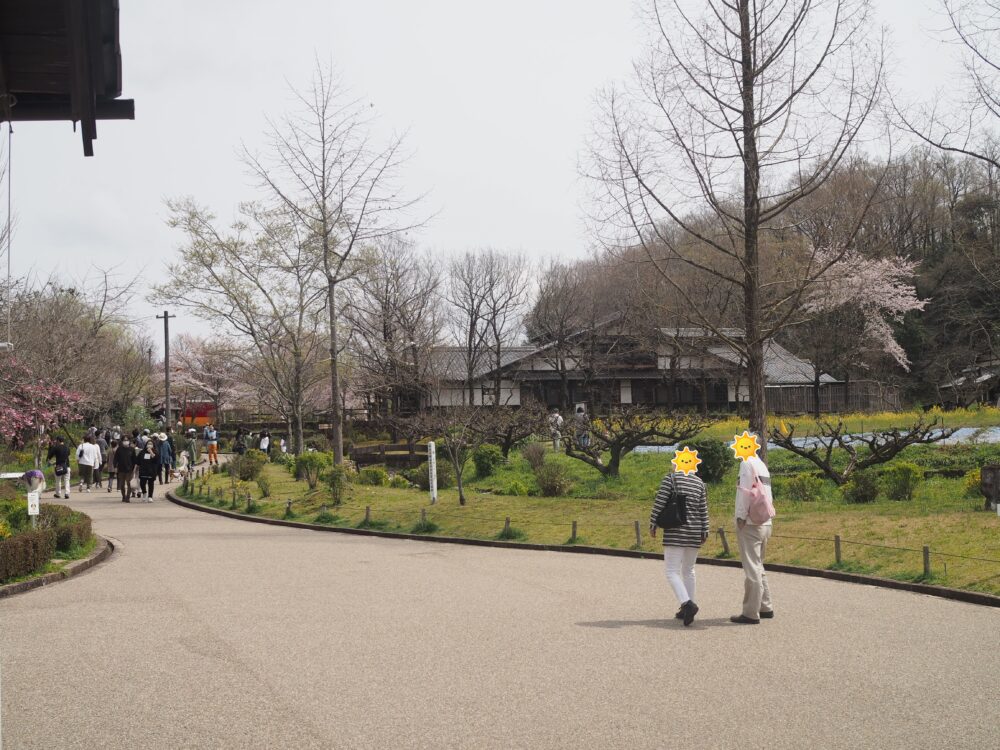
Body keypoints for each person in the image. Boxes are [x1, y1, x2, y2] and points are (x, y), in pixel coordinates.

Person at [649, 465, 709, 626]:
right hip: (695, 531)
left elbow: (660, 502)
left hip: (676, 530)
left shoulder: (671, 478)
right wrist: (705, 530)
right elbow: (704, 509)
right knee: (689, 570)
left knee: (671, 572)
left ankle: (687, 604)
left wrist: (653, 523)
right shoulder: (700, 483)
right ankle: (688, 608)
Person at [731, 451, 775, 625]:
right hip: (765, 521)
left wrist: (740, 517)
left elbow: (745, 492)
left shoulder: (746, 464)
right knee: (758, 565)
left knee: (752, 569)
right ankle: (765, 606)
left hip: (750, 523)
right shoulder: (762, 464)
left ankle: (750, 612)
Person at [114, 437, 137, 502]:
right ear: (122, 441)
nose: (126, 441)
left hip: (129, 470)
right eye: (124, 440)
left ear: (129, 441)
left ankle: (128, 497)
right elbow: (116, 459)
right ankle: (123, 496)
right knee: (122, 484)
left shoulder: (132, 449)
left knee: (129, 484)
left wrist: (134, 469)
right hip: (121, 470)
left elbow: (134, 460)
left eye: (127, 440)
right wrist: (115, 467)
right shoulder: (119, 449)